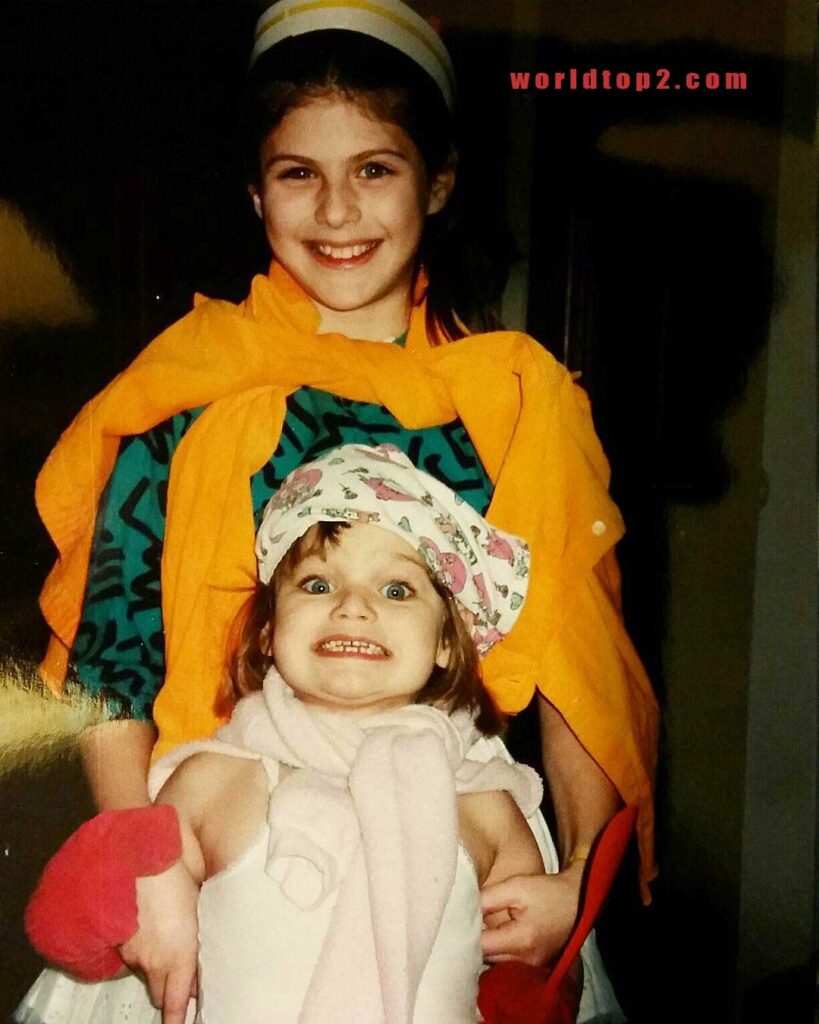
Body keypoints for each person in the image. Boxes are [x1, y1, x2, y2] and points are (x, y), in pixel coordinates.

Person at [33, 1, 658, 1021]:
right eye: (297, 173)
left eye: (375, 168)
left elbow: (575, 672)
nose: (336, 213)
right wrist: (149, 870)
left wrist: (573, 878)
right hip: (208, 871)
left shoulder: (513, 406)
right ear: (254, 188)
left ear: (438, 180)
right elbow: (114, 667)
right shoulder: (182, 397)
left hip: (454, 875)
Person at [20, 444, 553, 1024]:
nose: (352, 607)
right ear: (270, 632)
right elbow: (107, 908)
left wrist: (550, 947)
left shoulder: (487, 804)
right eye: (318, 585)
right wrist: (107, 886)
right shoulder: (215, 779)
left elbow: (536, 967)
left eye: (396, 590)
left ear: (448, 644)